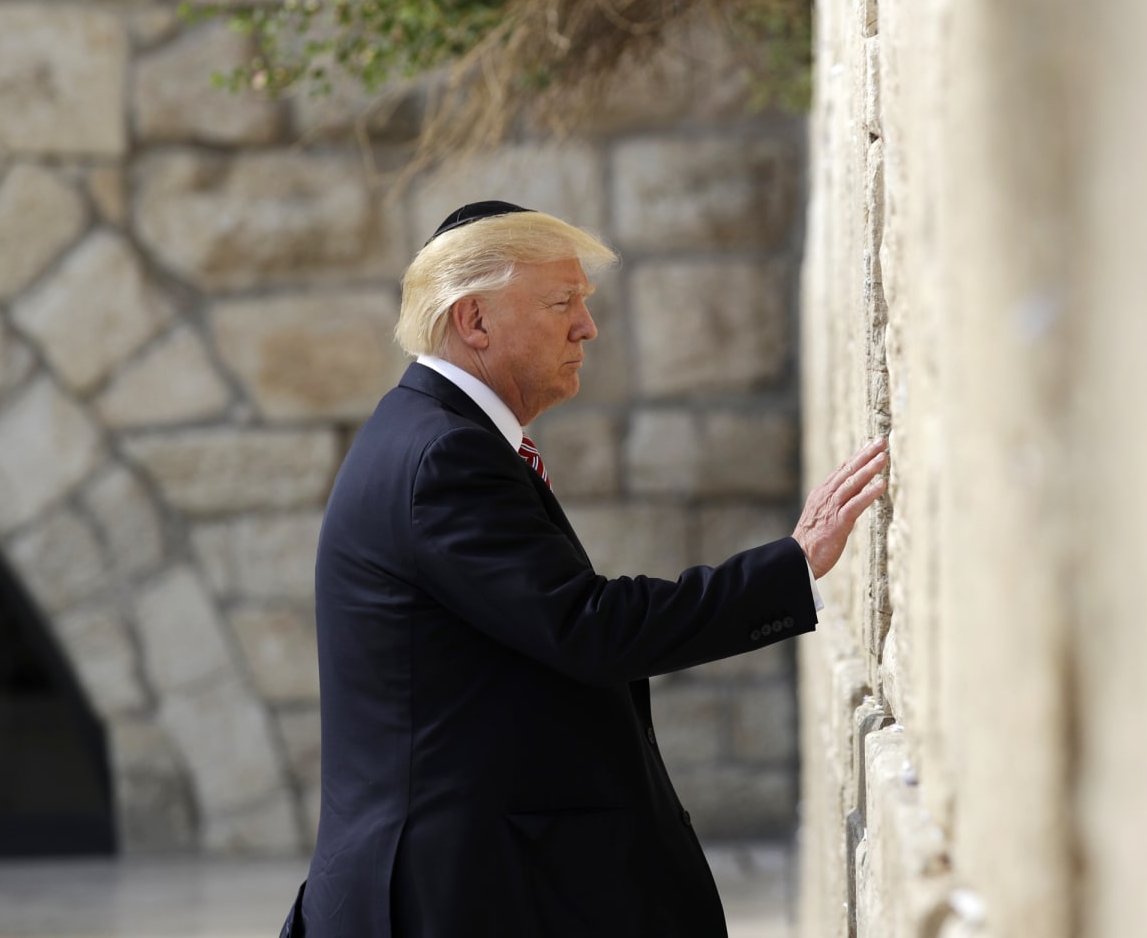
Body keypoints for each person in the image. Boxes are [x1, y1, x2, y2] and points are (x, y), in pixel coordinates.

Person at [279, 201, 887, 937]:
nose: (587, 327)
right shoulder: (444, 456)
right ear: (474, 321)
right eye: (562, 302)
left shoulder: (432, 435)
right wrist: (790, 566)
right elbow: (588, 626)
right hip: (444, 900)